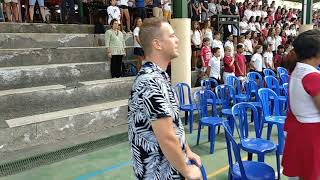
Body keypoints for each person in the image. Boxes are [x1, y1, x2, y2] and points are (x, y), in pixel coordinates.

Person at [128, 17, 203, 180]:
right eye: (171, 36)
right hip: (160, 174)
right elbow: (167, 137)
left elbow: (174, 125)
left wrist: (187, 150)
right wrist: (187, 171)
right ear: (157, 44)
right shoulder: (150, 82)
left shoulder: (159, 77)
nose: (177, 39)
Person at [282, 29, 320, 180]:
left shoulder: (297, 70)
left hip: (299, 129)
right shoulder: (312, 76)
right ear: (316, 53)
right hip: (310, 134)